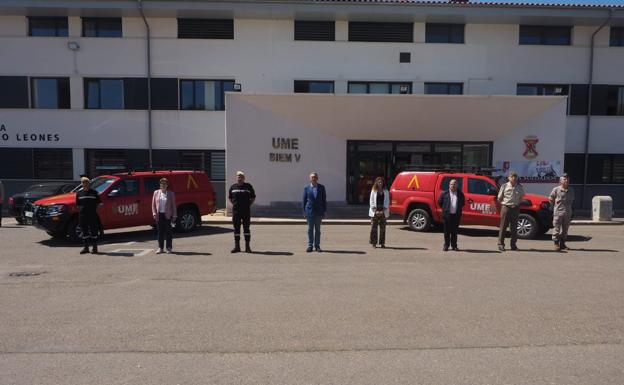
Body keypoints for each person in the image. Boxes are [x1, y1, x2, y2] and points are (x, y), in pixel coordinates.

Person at [497, 171, 525, 251]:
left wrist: (516, 204)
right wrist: (504, 204)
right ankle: (501, 244)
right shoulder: (504, 186)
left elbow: (522, 197)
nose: (514, 178)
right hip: (506, 207)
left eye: (515, 177)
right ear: (508, 178)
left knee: (514, 228)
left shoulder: (519, 187)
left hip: (515, 208)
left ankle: (513, 245)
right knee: (503, 226)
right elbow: (499, 197)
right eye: (512, 176)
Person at [228, 171, 256, 253]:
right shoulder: (232, 187)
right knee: (236, 229)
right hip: (236, 212)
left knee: (246, 229)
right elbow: (230, 198)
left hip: (246, 212)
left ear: (244, 178)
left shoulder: (248, 186)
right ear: (236, 178)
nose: (239, 178)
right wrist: (235, 205)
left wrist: (248, 205)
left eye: (241, 177)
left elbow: (253, 197)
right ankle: (237, 247)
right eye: (238, 177)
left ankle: (247, 247)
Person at [438, 179, 465, 251]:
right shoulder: (444, 193)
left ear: (457, 185)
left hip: (456, 216)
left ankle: (454, 246)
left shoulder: (460, 194)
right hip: (447, 216)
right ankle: (446, 245)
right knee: (446, 231)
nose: (453, 185)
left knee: (454, 232)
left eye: (454, 184)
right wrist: (445, 209)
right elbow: (440, 202)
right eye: (451, 184)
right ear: (449, 185)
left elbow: (462, 203)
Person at [549, 173, 575, 251]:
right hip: (558, 212)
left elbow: (572, 201)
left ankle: (563, 244)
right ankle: (556, 244)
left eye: (567, 179)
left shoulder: (571, 190)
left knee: (565, 229)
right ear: (560, 181)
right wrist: (555, 207)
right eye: (564, 179)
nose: (566, 180)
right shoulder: (556, 189)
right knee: (556, 228)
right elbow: (551, 199)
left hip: (567, 213)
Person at [302, 172, 327, 252]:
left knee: (318, 230)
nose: (314, 178)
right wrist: (304, 212)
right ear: (310, 179)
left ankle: (317, 246)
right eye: (312, 177)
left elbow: (324, 200)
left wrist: (325, 210)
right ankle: (310, 246)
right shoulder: (306, 188)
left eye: (315, 177)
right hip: (309, 212)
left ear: (317, 178)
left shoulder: (322, 187)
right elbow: (304, 201)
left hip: (319, 212)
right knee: (310, 229)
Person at [152, 178, 177, 254]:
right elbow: (153, 204)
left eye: (165, 184)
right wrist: (154, 213)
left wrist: (174, 215)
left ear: (167, 185)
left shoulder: (171, 194)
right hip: (159, 215)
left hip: (168, 215)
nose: (163, 185)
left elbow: (173, 205)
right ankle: (160, 248)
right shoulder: (156, 193)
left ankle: (169, 248)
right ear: (160, 185)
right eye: (162, 184)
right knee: (160, 232)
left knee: (168, 232)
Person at [76, 177, 101, 254]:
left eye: (86, 182)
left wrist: (92, 210)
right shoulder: (79, 193)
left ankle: (95, 248)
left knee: (94, 231)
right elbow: (78, 205)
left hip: (92, 215)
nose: (85, 184)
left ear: (88, 183)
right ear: (81, 184)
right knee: (84, 231)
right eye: (83, 183)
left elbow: (98, 203)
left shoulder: (94, 192)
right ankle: (86, 248)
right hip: (83, 215)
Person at [369, 176, 389, 248]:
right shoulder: (373, 191)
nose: (380, 183)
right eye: (379, 182)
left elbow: (387, 201)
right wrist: (375, 211)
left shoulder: (386, 191)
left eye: (381, 182)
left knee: (383, 228)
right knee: (374, 228)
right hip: (375, 212)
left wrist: (383, 211)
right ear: (376, 183)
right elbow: (371, 201)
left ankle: (382, 243)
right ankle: (374, 243)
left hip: (383, 212)